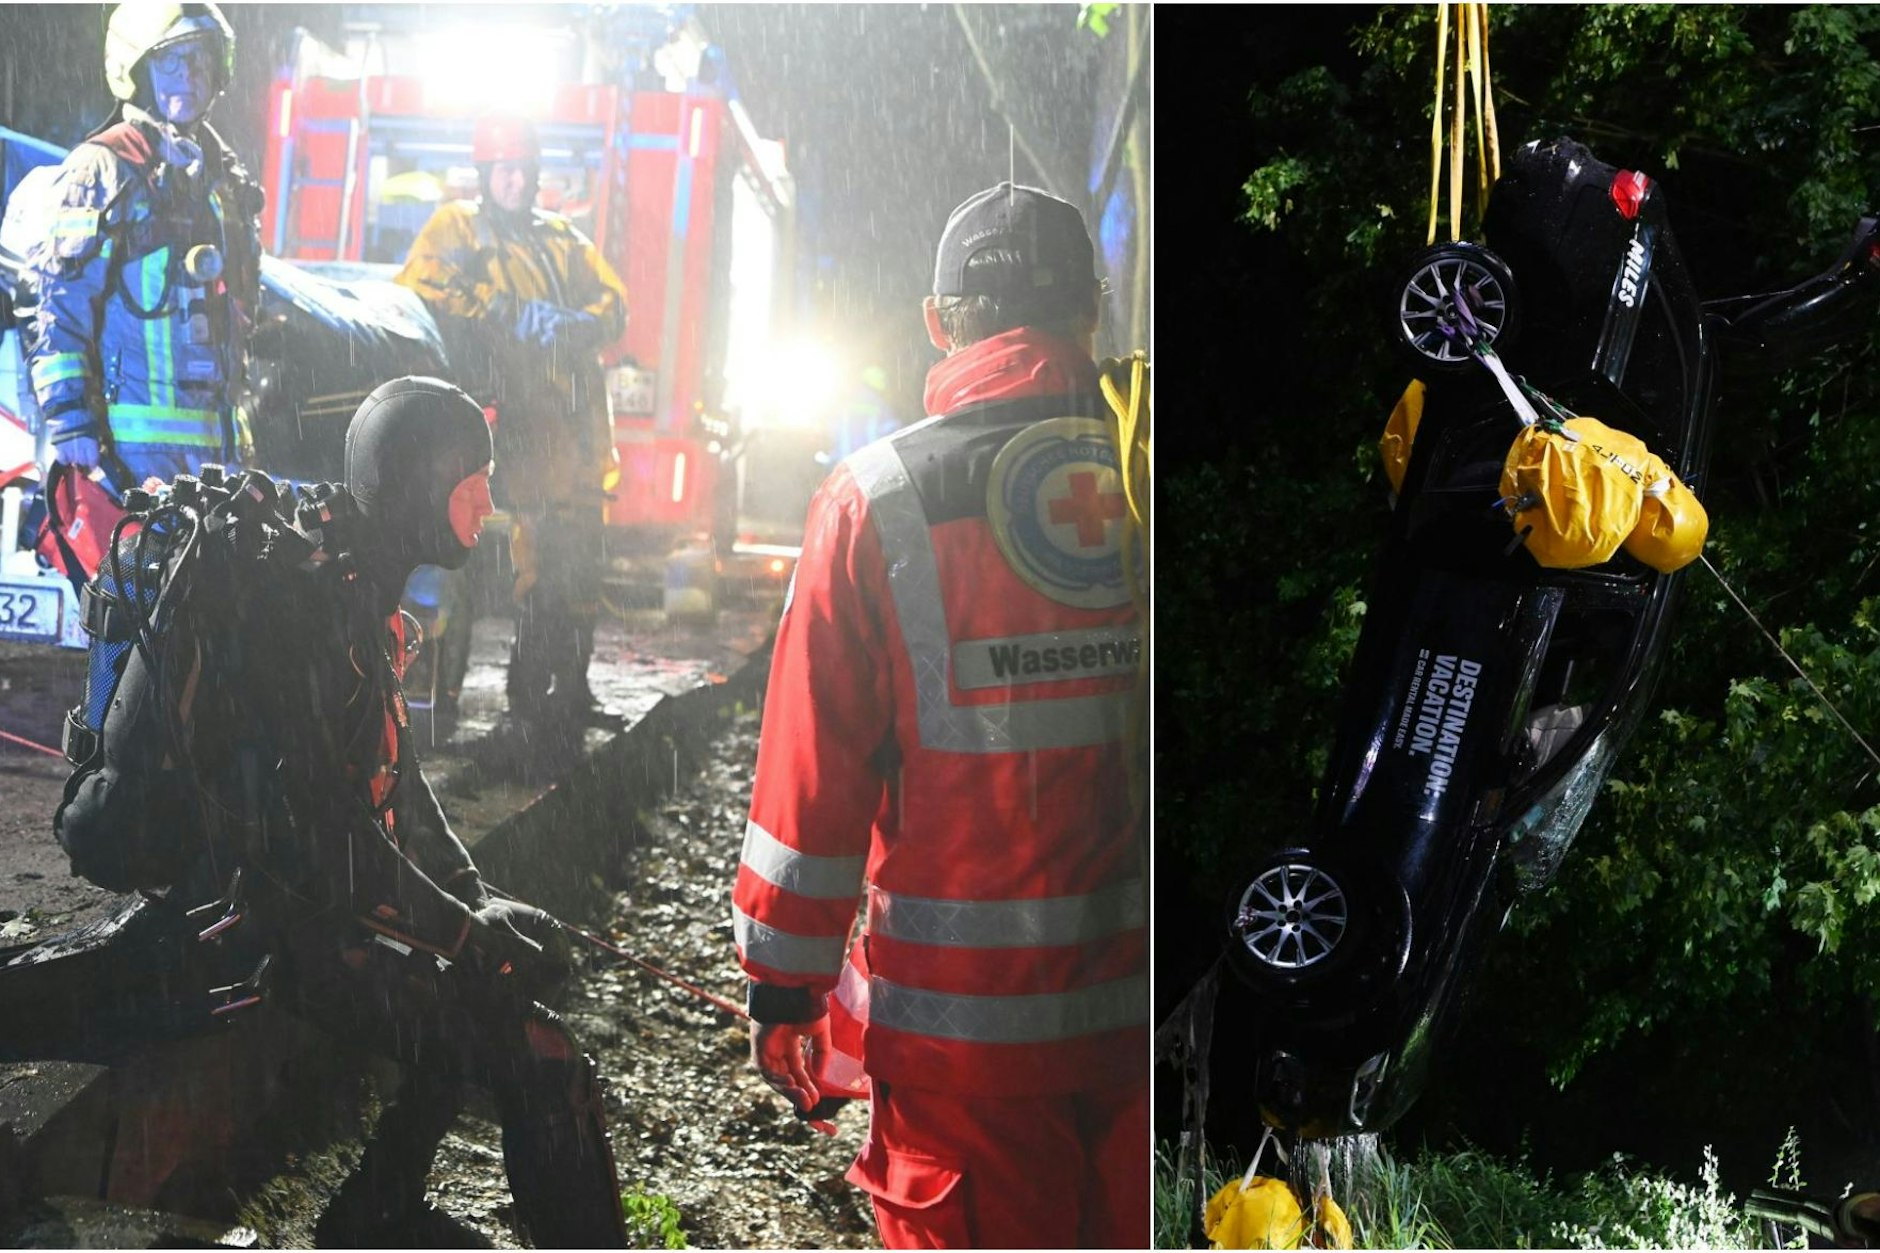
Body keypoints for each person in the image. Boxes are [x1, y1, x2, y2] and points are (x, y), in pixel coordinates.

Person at [53, 376, 630, 1248]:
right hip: (258, 933)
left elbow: (392, 782)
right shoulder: (313, 605)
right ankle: (375, 1211)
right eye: (470, 479)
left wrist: (473, 897)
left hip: (307, 911)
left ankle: (375, 1210)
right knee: (543, 1057)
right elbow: (331, 841)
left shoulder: (355, 579)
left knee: (494, 992)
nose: (489, 499)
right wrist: (465, 934)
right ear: (416, 486)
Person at [731, 183, 1149, 1249]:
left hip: (963, 1066)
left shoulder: (874, 501)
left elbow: (809, 782)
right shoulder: (1148, 474)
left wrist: (786, 990)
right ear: (1090, 315)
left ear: (938, 322)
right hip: (1155, 1034)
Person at [394, 115, 626, 731]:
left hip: (570, 432)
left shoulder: (563, 241)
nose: (516, 181)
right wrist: (500, 311)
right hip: (506, 427)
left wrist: (582, 324)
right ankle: (488, 701)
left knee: (576, 563)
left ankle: (564, 693)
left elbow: (612, 301)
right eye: (505, 170)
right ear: (485, 175)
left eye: (524, 170)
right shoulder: (458, 227)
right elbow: (422, 282)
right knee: (509, 564)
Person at [22, 0, 262, 492]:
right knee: (139, 573)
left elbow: (239, 309)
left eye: (201, 58)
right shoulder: (103, 168)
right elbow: (60, 304)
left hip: (220, 454)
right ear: (136, 68)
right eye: (171, 59)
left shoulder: (226, 178)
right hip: (128, 453)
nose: (189, 75)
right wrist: (70, 419)